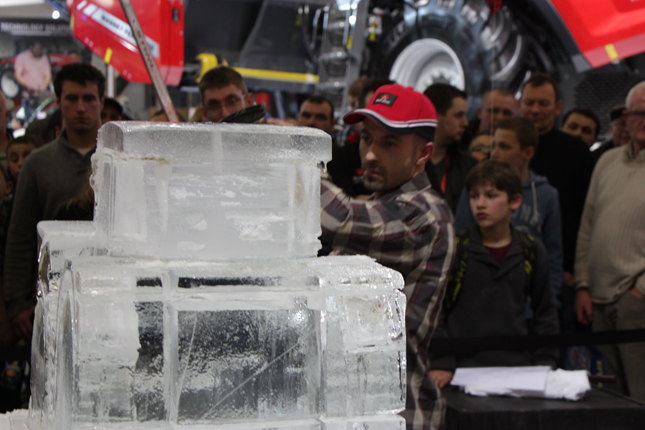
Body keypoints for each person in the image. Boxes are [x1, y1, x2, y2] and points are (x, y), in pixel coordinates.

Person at [321, 84, 455, 430]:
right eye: (367, 139)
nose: (370, 155)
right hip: (367, 407)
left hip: (399, 412)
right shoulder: (383, 205)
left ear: (423, 154)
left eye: (389, 143)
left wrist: (290, 157)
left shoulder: (425, 214)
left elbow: (342, 219)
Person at [430, 160, 559, 388]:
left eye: (491, 196)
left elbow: (545, 312)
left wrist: (544, 360)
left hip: (518, 367)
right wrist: (443, 360)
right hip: (460, 369)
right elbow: (435, 309)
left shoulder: (530, 249)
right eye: (474, 196)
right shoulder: (455, 247)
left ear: (515, 200)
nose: (480, 204)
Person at [4, 63, 105, 342]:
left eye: (89, 98)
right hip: (52, 300)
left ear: (101, 102)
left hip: (109, 296)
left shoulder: (119, 161)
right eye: (72, 98)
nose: (81, 107)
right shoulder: (37, 163)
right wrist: (17, 302)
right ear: (59, 102)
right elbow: (22, 235)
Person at [574, 81, 645, 402]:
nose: (642, 120)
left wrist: (640, 292)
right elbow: (587, 224)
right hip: (597, 299)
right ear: (626, 118)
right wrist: (583, 285)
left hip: (636, 301)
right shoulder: (606, 160)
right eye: (637, 113)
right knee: (611, 401)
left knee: (640, 395)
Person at [455, 117, 563, 300]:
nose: (494, 153)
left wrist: (548, 302)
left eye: (504, 147)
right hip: (477, 294)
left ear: (527, 153)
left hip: (527, 299)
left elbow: (553, 255)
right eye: (494, 145)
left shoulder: (546, 195)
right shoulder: (476, 190)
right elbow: (459, 239)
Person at [519, 72, 595, 306]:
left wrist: (572, 269)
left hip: (562, 274)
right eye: (529, 102)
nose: (535, 110)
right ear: (519, 105)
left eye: (543, 103)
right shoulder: (505, 147)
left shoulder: (577, 152)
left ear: (558, 107)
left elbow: (586, 216)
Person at [423, 83, 477, 213]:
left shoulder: (470, 167)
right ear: (434, 116)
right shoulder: (406, 162)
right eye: (458, 116)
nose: (466, 123)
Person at [14, 41, 52, 121]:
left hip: (40, 97)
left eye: (40, 49)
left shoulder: (43, 58)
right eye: (37, 48)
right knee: (29, 119)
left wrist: (43, 87)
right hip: (28, 96)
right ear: (31, 47)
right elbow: (18, 75)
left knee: (41, 119)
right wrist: (28, 86)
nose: (39, 51)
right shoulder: (22, 57)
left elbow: (48, 75)